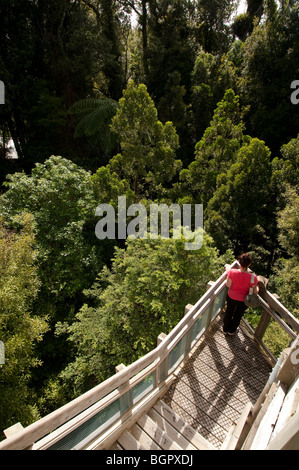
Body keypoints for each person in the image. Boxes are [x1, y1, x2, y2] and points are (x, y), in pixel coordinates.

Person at [223, 253, 259, 335]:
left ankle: (225, 329)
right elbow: (255, 291)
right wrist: (258, 287)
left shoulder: (232, 272)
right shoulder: (253, 277)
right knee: (238, 315)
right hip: (244, 299)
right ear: (249, 264)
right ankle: (232, 331)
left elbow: (228, 285)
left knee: (229, 312)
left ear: (239, 262)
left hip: (232, 296)